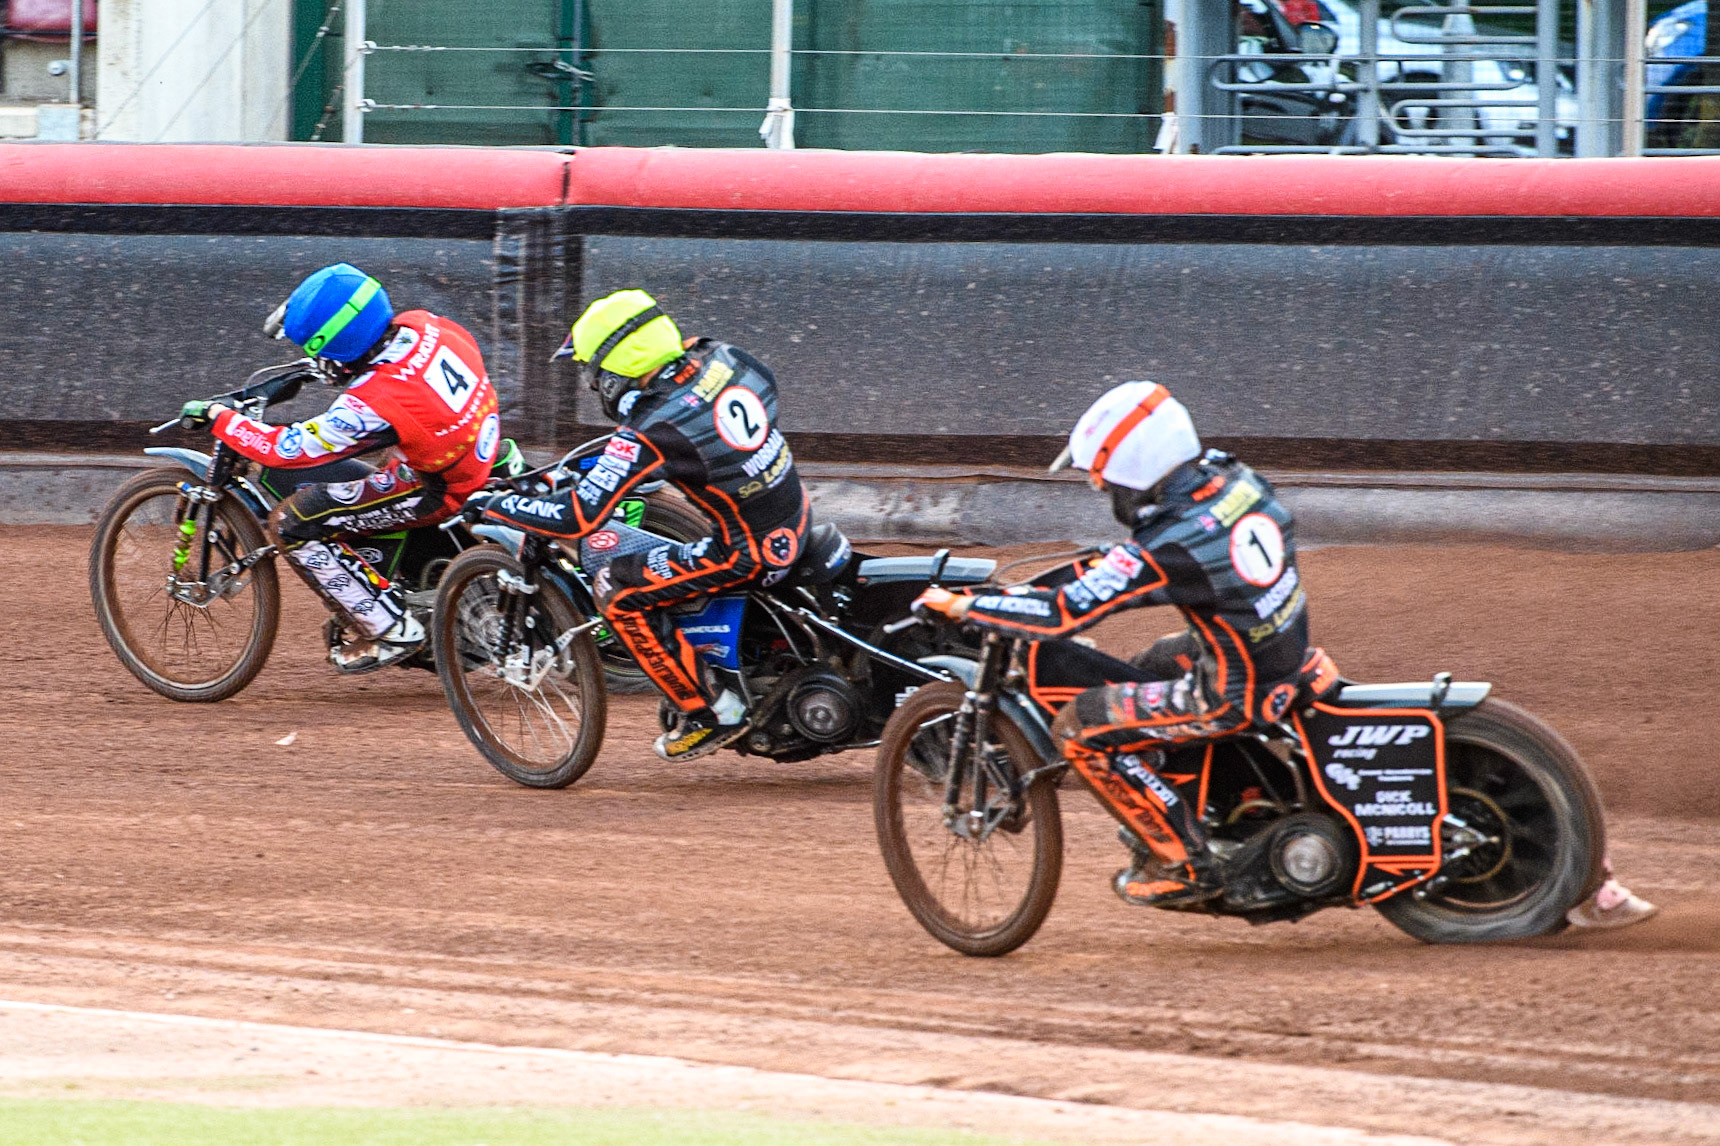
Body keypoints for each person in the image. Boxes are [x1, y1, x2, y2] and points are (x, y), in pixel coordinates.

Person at [913, 381, 1658, 929]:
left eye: (1101, 473)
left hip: (1236, 692)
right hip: (1289, 658)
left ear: (1132, 468)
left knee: (1082, 724)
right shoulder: (1235, 481)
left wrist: (962, 603)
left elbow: (1062, 612)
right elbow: (1153, 568)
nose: (1100, 485)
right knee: (1160, 656)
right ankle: (1229, 800)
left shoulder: (1173, 543)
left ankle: (1183, 861)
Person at [480, 288, 810, 761]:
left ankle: (710, 711)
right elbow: (752, 400)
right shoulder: (724, 357)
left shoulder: (655, 428)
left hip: (750, 551)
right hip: (796, 514)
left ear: (616, 369)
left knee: (616, 587)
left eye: (593, 373)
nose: (593, 386)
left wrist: (496, 506)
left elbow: (579, 516)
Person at [178, 262, 502, 672]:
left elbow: (287, 450)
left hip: (438, 488)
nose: (315, 359)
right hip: (477, 448)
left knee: (291, 522)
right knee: (384, 463)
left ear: (339, 341)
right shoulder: (427, 326)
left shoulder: (373, 400)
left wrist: (223, 419)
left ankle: (389, 630)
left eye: (317, 349)